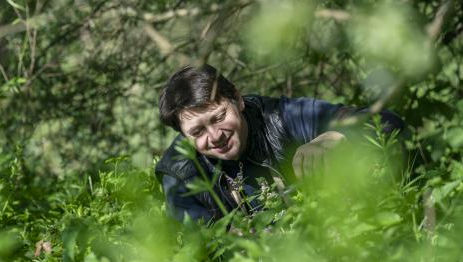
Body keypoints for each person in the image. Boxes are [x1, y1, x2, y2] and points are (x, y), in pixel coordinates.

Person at [155, 64, 405, 223]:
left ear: (238, 100)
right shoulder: (178, 173)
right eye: (197, 131)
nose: (215, 135)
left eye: (219, 117)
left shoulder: (282, 117)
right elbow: (194, 245)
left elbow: (387, 122)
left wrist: (336, 137)